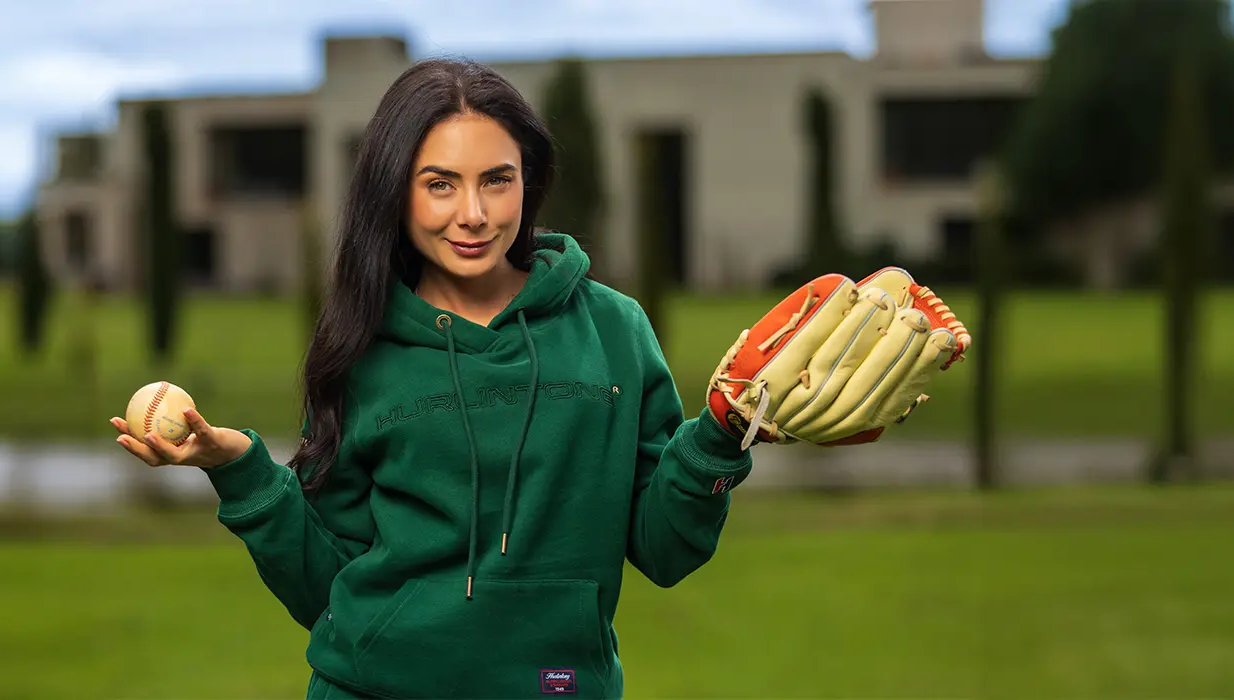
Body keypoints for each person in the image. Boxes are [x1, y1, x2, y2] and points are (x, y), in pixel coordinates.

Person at [111, 57, 758, 699]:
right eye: (440, 183)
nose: (473, 213)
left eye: (497, 180)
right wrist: (240, 468)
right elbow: (325, 591)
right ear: (397, 191)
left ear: (529, 183)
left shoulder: (616, 332)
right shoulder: (359, 346)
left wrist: (720, 438)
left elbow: (667, 549)